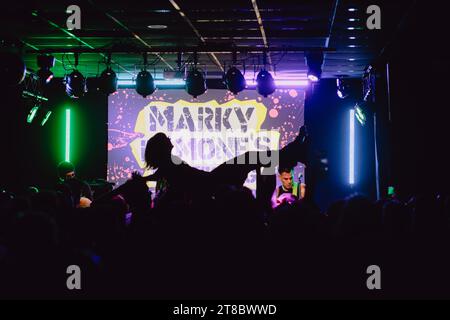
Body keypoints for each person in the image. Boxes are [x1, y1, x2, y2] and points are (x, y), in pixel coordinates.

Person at [138, 126, 309, 199]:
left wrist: (143, 180)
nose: (171, 141)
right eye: (167, 140)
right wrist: (142, 181)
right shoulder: (168, 165)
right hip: (213, 182)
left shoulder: (168, 165)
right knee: (255, 158)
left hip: (212, 180)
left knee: (258, 159)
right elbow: (160, 174)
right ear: (162, 147)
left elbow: (157, 175)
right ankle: (294, 151)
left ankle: (294, 152)